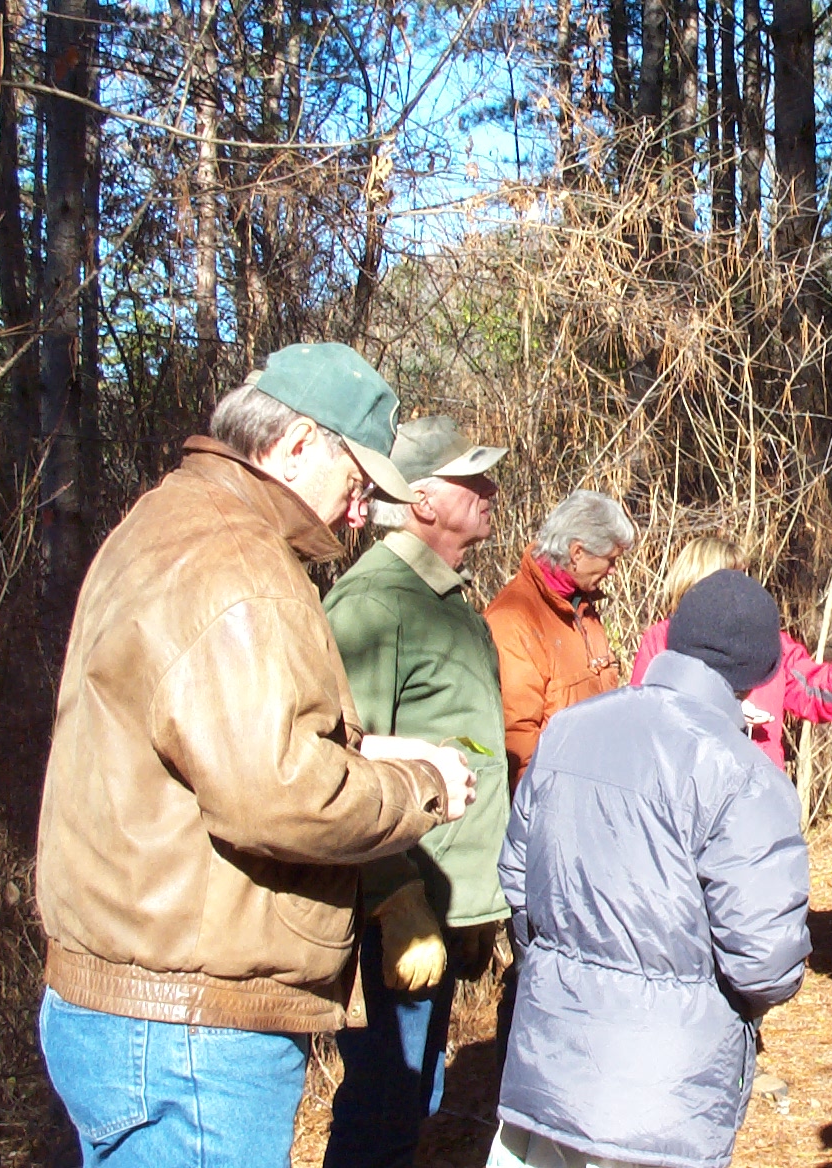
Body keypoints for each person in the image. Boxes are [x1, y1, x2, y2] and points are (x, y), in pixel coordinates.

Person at [36, 343, 476, 1168]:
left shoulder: (168, 520)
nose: (359, 513)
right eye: (357, 482)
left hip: (132, 1002)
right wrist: (422, 787)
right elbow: (277, 797)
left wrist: (360, 749)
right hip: (191, 1029)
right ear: (299, 442)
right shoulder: (237, 561)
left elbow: (202, 744)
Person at [491, 570, 811, 1168]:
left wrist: (559, 969)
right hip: (665, 1095)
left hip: (549, 1069)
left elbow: (517, 881)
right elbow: (767, 962)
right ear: (764, 671)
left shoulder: (568, 729)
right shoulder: (742, 774)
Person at [321, 416, 514, 1168]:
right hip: (394, 918)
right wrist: (393, 898)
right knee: (380, 1113)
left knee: (413, 1103)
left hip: (446, 903)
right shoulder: (373, 605)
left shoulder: (452, 601)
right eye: (474, 480)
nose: (491, 491)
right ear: (424, 500)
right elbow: (342, 762)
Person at [628, 535, 832, 769]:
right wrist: (725, 710)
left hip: (757, 788)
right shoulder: (661, 639)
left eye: (744, 578)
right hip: (687, 785)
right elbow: (649, 715)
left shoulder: (771, 642)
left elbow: (812, 691)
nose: (742, 590)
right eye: (729, 581)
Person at [483, 489, 636, 786]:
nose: (615, 571)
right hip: (550, 797)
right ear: (577, 553)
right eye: (610, 560)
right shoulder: (514, 619)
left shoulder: (584, 608)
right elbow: (517, 737)